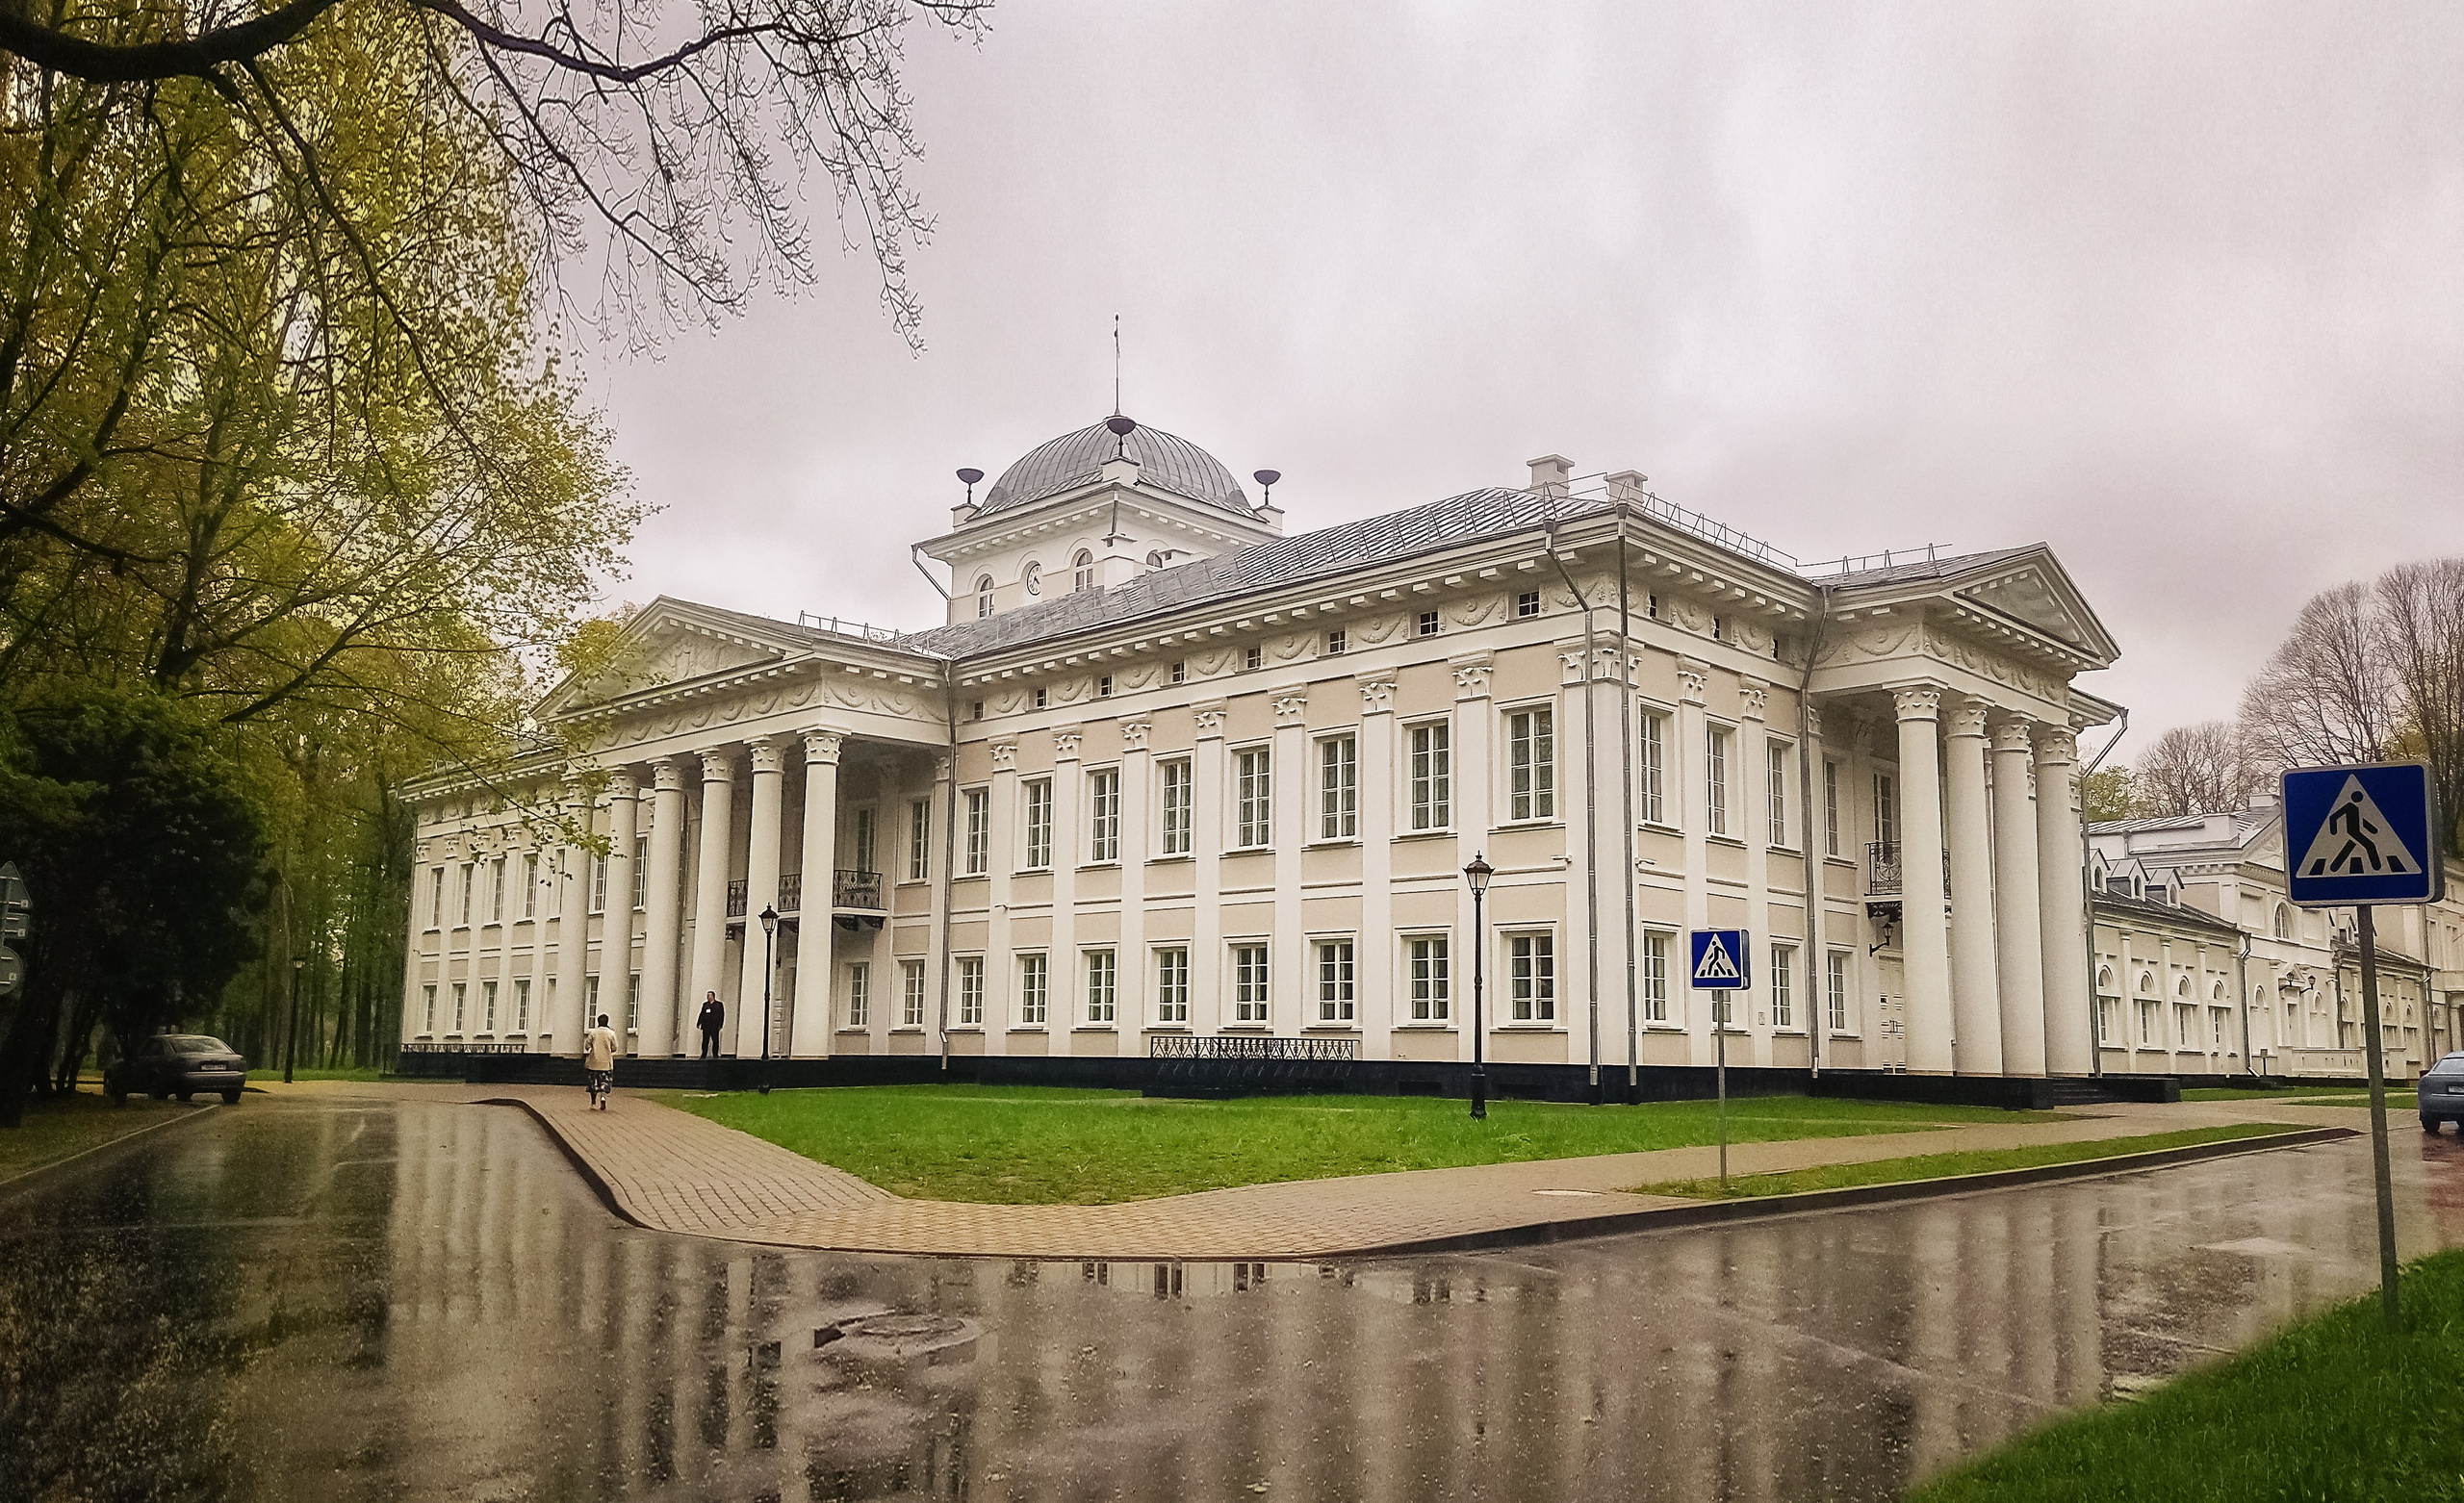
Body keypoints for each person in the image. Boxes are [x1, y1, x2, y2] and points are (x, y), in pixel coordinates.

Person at [581, 1012, 619, 1109]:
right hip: (606, 1062)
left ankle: (593, 1102)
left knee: (593, 1082)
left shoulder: (593, 1033)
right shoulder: (611, 1033)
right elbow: (615, 1047)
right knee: (605, 1081)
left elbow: (587, 1046)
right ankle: (603, 1097)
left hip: (594, 1062)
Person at [697, 991, 725, 1059]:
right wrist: (699, 1022)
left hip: (714, 1026)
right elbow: (702, 1014)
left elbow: (721, 1015)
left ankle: (715, 1054)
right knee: (705, 1040)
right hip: (706, 1026)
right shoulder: (705, 1004)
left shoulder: (718, 1004)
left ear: (713, 996)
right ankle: (704, 1054)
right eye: (707, 996)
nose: (708, 997)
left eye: (710, 995)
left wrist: (720, 1024)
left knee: (715, 1040)